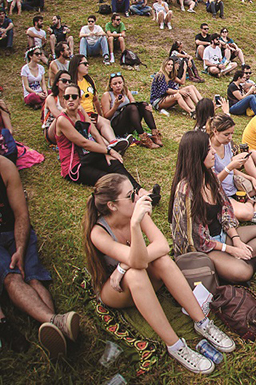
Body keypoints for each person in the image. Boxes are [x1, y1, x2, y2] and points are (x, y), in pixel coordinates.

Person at [83, 174, 234, 375]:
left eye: (135, 191)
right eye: (130, 196)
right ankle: (175, 347)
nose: (137, 198)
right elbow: (138, 261)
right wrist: (135, 228)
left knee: (161, 261)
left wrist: (122, 267)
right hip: (116, 291)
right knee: (136, 273)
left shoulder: (135, 212)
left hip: (137, 276)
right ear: (112, 205)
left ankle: (202, 323)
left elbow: (162, 246)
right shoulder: (99, 232)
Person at [169, 131, 256, 284]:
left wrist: (236, 239)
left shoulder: (210, 178)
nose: (214, 152)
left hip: (223, 236)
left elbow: (226, 210)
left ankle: (236, 261)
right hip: (206, 248)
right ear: (197, 154)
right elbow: (197, 239)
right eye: (209, 150)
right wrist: (229, 249)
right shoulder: (185, 191)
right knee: (242, 272)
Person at [0, 155, 83, 358]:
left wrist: (20, 248)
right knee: (12, 278)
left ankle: (55, 329)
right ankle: (56, 322)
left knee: (34, 277)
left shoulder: (5, 167)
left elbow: (21, 214)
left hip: (14, 232)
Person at [207, 114, 256, 223]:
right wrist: (230, 167)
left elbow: (232, 170)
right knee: (245, 214)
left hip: (235, 187)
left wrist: (251, 178)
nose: (230, 138)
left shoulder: (226, 144)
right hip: (222, 194)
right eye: (226, 134)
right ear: (215, 131)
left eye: (231, 134)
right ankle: (250, 203)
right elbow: (212, 183)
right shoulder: (208, 150)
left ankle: (255, 212)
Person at [100, 73, 162, 148]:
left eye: (120, 83)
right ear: (111, 85)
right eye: (115, 84)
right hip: (117, 125)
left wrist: (147, 107)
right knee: (131, 108)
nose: (118, 85)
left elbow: (134, 105)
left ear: (123, 83)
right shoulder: (107, 95)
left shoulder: (125, 91)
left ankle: (155, 133)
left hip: (129, 124)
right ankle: (143, 138)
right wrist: (115, 106)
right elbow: (106, 116)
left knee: (144, 105)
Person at [42, 71, 71, 144]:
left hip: (68, 126)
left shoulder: (70, 98)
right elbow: (57, 115)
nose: (67, 84)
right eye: (64, 81)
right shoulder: (51, 98)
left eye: (69, 81)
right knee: (61, 117)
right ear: (57, 83)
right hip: (52, 129)